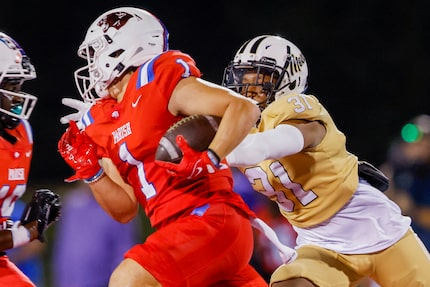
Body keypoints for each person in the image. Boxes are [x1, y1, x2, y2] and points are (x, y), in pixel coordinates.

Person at [57, 6, 272, 287]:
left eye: (96, 52)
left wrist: (210, 156)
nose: (92, 62)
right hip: (177, 235)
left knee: (128, 279)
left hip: (211, 218)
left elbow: (242, 108)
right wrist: (91, 172)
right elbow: (124, 209)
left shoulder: (157, 78)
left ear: (125, 46)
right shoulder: (100, 119)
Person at [222, 34, 430, 286]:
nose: (249, 86)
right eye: (244, 76)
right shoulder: (238, 125)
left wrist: (213, 149)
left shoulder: (298, 110)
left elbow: (266, 145)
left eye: (261, 77)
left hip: (379, 231)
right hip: (320, 243)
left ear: (288, 79)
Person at [0, 31, 62, 287]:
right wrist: (29, 231)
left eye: (19, 87)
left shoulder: (19, 133)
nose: (17, 97)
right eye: (10, 87)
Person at [52, 181, 141, 287]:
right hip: (69, 281)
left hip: (102, 281)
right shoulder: (71, 204)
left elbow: (124, 250)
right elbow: (63, 245)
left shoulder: (118, 207)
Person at [380, 114, 430, 251]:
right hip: (399, 248)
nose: (419, 149)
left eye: (425, 144)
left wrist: (412, 209)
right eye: (416, 144)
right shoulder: (396, 170)